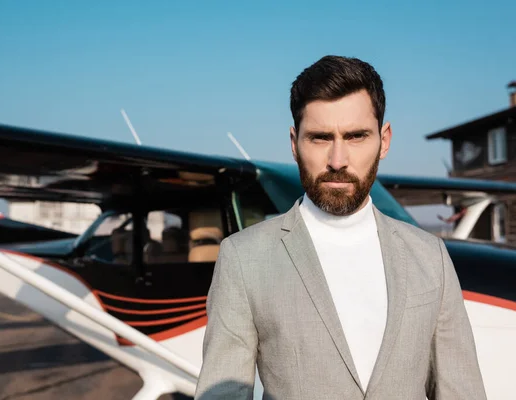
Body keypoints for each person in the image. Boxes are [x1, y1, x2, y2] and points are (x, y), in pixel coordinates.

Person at [195, 55, 486, 399]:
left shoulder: (430, 256)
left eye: (356, 136)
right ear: (294, 143)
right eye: (320, 138)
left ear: (385, 140)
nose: (337, 161)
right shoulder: (244, 258)